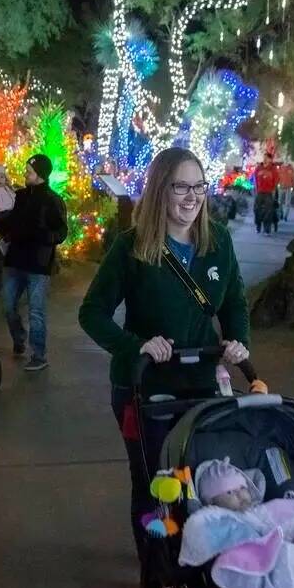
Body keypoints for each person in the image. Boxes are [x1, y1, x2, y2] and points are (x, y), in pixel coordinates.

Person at [78, 146, 250, 562]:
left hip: (199, 384)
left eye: (198, 186)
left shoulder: (217, 242)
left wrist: (237, 341)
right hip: (143, 385)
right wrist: (133, 345)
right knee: (154, 484)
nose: (191, 197)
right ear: (160, 190)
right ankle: (156, 570)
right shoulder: (132, 247)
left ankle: (196, 560)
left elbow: (234, 303)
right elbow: (92, 313)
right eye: (180, 187)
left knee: (200, 479)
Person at [0, 153, 68, 372]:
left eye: (30, 170)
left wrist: (44, 237)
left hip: (38, 264)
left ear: (41, 174)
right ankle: (19, 338)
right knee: (8, 306)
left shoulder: (53, 201)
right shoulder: (19, 196)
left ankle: (38, 354)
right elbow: (8, 223)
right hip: (15, 260)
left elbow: (61, 232)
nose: (26, 173)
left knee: (36, 311)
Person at [253, 153, 279, 234]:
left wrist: (274, 192)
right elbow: (255, 179)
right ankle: (258, 225)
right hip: (260, 192)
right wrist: (256, 189)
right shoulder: (258, 168)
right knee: (257, 209)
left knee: (269, 210)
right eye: (264, 157)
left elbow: (276, 181)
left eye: (266, 158)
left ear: (270, 159)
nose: (265, 159)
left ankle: (267, 228)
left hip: (269, 192)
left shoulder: (273, 169)